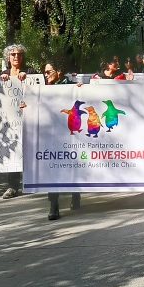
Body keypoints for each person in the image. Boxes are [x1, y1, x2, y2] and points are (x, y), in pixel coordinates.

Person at [33, 62, 82, 220]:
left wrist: (82, 89)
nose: (46, 74)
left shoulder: (71, 86)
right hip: (50, 134)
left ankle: (76, 195)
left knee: (72, 165)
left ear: (59, 72)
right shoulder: (41, 88)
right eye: (45, 72)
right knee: (52, 168)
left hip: (68, 133)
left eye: (49, 72)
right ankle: (54, 205)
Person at [0, 44, 29, 198]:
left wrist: (27, 78)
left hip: (29, 119)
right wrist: (2, 80)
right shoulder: (3, 74)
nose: (16, 57)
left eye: (19, 54)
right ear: (8, 58)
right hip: (11, 122)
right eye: (13, 54)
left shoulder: (30, 72)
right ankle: (12, 187)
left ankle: (33, 182)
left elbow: (39, 89)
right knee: (13, 151)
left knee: (30, 150)